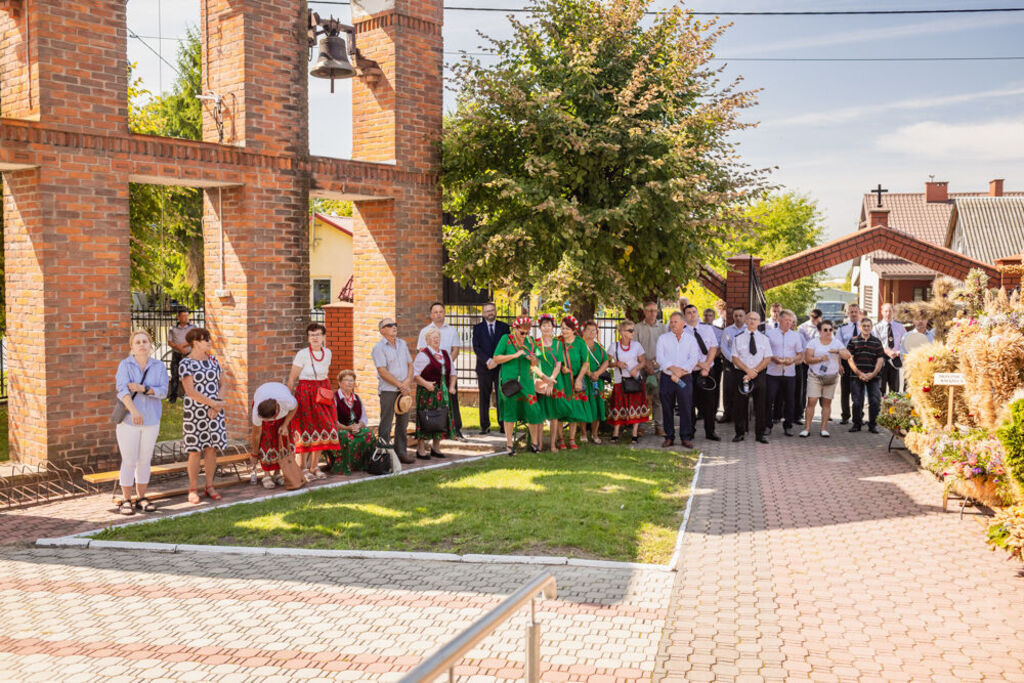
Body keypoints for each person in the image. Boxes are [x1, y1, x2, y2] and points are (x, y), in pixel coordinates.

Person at [114, 330, 169, 514]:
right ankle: (126, 500)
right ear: (132, 346)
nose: (141, 345)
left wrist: (144, 388)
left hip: (152, 419)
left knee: (144, 460)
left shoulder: (158, 366)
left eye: (145, 341)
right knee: (129, 460)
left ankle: (142, 497)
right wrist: (134, 411)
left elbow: (163, 391)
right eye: (137, 342)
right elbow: (122, 391)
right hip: (129, 421)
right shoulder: (125, 365)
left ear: (150, 345)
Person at [179, 327, 229, 504]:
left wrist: (217, 403)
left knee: (211, 449)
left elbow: (223, 384)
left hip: (214, 412)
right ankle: (193, 488)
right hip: (195, 413)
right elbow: (190, 391)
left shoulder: (214, 360)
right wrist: (213, 404)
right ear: (195, 342)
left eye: (209, 338)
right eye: (205, 339)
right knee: (195, 451)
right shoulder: (186, 363)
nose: (209, 341)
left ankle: (209, 485)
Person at [287, 323, 341, 482]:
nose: (315, 338)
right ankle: (302, 468)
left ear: (324, 337)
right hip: (305, 394)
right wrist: (289, 400)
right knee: (304, 431)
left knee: (323, 427)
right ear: (308, 338)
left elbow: (325, 374)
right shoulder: (302, 354)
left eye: (318, 334)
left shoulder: (328, 353)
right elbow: (292, 378)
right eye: (312, 335)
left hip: (323, 393)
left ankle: (314, 466)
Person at [493, 316, 545, 455]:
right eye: (522, 333)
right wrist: (515, 355)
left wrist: (533, 359)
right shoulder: (506, 339)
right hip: (510, 382)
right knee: (510, 411)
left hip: (527, 382)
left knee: (533, 410)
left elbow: (535, 363)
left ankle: (534, 443)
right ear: (515, 329)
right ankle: (509, 444)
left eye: (527, 333)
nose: (524, 336)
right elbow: (496, 358)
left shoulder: (531, 342)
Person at [418, 303, 465, 440]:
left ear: (444, 313)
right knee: (433, 403)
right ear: (431, 314)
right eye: (435, 312)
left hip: (448, 373)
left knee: (452, 400)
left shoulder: (451, 330)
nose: (438, 314)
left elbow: (455, 349)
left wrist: (446, 365)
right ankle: (434, 430)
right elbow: (422, 351)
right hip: (432, 373)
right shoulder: (424, 331)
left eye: (441, 311)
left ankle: (456, 430)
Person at [372, 318, 415, 464]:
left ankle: (401, 452)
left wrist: (407, 382)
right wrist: (399, 384)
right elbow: (382, 371)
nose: (394, 327)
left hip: (404, 389)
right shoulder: (378, 348)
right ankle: (385, 455)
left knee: (403, 422)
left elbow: (410, 364)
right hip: (388, 390)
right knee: (386, 422)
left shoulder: (402, 344)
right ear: (382, 330)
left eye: (395, 324)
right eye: (389, 325)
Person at [657, 311, 701, 448]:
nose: (672, 324)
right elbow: (660, 358)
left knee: (685, 406)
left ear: (683, 323)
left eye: (675, 322)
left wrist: (680, 372)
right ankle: (669, 436)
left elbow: (693, 359)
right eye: (671, 322)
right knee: (667, 407)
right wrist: (673, 370)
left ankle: (685, 436)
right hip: (667, 378)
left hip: (684, 379)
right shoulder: (663, 339)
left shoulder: (690, 339)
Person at [800, 321, 850, 438]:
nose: (828, 332)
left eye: (830, 330)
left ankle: (824, 429)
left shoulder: (837, 343)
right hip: (815, 376)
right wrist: (821, 358)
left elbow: (847, 355)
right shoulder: (813, 342)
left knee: (827, 403)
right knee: (811, 402)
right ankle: (807, 428)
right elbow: (807, 359)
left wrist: (837, 352)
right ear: (820, 331)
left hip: (831, 378)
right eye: (825, 330)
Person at [413, 328, 456, 459]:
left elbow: (453, 373)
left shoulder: (445, 354)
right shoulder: (423, 355)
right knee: (426, 418)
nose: (436, 339)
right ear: (427, 340)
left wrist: (452, 387)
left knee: (440, 418)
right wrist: (426, 384)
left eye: (437, 336)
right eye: (433, 337)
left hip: (443, 392)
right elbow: (415, 375)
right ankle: (420, 449)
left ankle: (436, 448)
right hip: (427, 393)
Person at [731, 312, 772, 443]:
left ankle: (760, 434)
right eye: (749, 319)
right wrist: (747, 371)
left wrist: (754, 371)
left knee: (760, 405)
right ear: (745, 321)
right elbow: (734, 358)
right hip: (741, 374)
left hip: (758, 374)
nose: (752, 321)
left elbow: (767, 358)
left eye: (755, 319)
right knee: (739, 405)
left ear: (759, 321)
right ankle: (739, 433)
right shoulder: (738, 338)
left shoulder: (764, 339)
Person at [248, 381, 298, 489]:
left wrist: (285, 425)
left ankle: (277, 473)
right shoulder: (258, 412)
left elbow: (295, 408)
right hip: (264, 396)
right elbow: (256, 435)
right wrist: (254, 454)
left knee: (281, 440)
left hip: (281, 408)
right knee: (266, 440)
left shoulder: (287, 401)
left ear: (276, 412)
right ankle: (266, 475)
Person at [472, 302, 511, 435]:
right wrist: (488, 360)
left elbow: (507, 345)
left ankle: (503, 424)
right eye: (487, 311)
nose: (490, 313)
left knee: (502, 396)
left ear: (495, 311)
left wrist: (496, 360)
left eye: (492, 310)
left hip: (500, 367)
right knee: (484, 397)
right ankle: (484, 426)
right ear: (483, 313)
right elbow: (476, 347)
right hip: (484, 367)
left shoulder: (504, 327)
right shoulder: (477, 328)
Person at [608, 319, 650, 443]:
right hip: (620, 381)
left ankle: (635, 434)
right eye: (630, 330)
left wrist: (636, 368)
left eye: (633, 330)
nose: (633, 332)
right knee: (619, 405)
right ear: (622, 332)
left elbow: (643, 361)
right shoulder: (613, 346)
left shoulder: (637, 345)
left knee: (635, 406)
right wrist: (616, 363)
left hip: (635, 380)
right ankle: (615, 433)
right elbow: (607, 363)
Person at [682, 304, 720, 441]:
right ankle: (690, 431)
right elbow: (684, 353)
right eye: (689, 313)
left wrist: (706, 366)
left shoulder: (707, 329)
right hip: (690, 372)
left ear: (698, 314)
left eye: (694, 312)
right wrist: (700, 364)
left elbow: (713, 347)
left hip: (708, 371)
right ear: (685, 316)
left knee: (709, 403)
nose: (692, 314)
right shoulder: (682, 332)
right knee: (689, 402)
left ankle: (710, 432)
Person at [765, 310, 805, 437]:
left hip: (789, 373)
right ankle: (767, 425)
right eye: (787, 320)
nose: (789, 323)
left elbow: (800, 355)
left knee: (790, 400)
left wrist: (792, 360)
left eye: (791, 321)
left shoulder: (795, 336)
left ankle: (788, 426)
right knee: (769, 399)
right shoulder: (769, 334)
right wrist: (773, 358)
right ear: (779, 320)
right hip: (772, 373)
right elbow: (765, 352)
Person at [333, 370, 377, 473]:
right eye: (346, 380)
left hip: (355, 428)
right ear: (340, 383)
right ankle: (344, 467)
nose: (349, 383)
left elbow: (363, 418)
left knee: (369, 434)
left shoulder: (357, 398)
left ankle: (366, 464)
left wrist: (358, 426)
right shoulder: (335, 398)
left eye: (352, 380)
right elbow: (333, 421)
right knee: (346, 436)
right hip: (341, 428)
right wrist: (348, 428)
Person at [634, 301, 668, 437]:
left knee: (658, 398)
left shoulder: (663, 328)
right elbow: (635, 347)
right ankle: (641, 426)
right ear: (644, 312)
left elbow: (666, 348)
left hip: (658, 368)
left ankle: (659, 426)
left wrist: (653, 363)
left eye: (655, 310)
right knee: (642, 397)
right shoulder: (637, 328)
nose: (653, 313)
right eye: (649, 310)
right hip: (641, 366)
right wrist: (646, 363)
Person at [846, 317, 885, 433]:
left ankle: (873, 425)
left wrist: (873, 374)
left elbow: (880, 360)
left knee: (875, 401)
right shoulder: (853, 341)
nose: (866, 328)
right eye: (864, 326)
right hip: (856, 376)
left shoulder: (877, 342)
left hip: (873, 376)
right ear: (860, 327)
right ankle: (856, 424)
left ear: (871, 327)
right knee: (857, 401)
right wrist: (859, 373)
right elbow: (850, 359)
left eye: (868, 326)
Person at [558, 315, 591, 449]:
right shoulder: (557, 342)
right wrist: (560, 367)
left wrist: (579, 379)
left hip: (575, 379)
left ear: (573, 330)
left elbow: (586, 363)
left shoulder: (580, 343)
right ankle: (560, 439)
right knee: (560, 409)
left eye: (567, 328)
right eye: (562, 328)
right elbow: (552, 358)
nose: (564, 331)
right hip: (561, 379)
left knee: (574, 409)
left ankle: (571, 439)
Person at [535, 314, 566, 452]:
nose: (547, 328)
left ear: (553, 327)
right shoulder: (535, 343)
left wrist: (551, 381)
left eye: (549, 325)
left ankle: (553, 444)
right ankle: (540, 444)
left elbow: (558, 366)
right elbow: (533, 365)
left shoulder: (558, 345)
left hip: (554, 383)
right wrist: (545, 380)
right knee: (540, 416)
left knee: (554, 417)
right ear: (540, 328)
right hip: (540, 383)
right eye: (544, 325)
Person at [717, 307, 747, 425]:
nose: (738, 318)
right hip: (730, 363)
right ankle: (727, 414)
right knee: (728, 389)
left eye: (740, 315)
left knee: (743, 389)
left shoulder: (749, 330)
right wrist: (733, 360)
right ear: (733, 317)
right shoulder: (728, 330)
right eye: (736, 316)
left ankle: (742, 415)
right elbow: (724, 347)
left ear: (744, 317)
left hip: (745, 364)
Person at [581, 320, 610, 444]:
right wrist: (589, 373)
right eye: (590, 330)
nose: (592, 333)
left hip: (597, 381)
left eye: (594, 330)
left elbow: (606, 361)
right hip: (584, 380)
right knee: (584, 406)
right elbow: (579, 361)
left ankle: (595, 434)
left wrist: (597, 374)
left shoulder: (599, 347)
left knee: (597, 406)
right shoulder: (580, 345)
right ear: (584, 331)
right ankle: (583, 433)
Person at [836, 303, 863, 425]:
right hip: (846, 362)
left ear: (859, 313)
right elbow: (838, 348)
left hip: (860, 362)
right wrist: (839, 364)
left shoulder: (864, 326)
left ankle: (859, 416)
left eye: (855, 311)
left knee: (859, 391)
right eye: (851, 312)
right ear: (848, 313)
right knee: (845, 391)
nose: (853, 314)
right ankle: (845, 416)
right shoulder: (842, 328)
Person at [795, 309, 822, 424]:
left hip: (819, 361)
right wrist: (806, 358)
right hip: (806, 361)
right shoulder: (803, 328)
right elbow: (801, 344)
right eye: (814, 319)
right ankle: (800, 412)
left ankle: (824, 411)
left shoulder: (822, 327)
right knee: (804, 388)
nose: (816, 321)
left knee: (821, 386)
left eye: (817, 319)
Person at [873, 303, 906, 396]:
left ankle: (893, 408)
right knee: (881, 388)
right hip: (882, 359)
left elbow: (905, 341)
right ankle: (880, 409)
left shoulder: (900, 327)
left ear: (893, 312)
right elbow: (876, 343)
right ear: (882, 312)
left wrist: (899, 350)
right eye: (886, 311)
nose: (888, 314)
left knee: (894, 389)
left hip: (895, 359)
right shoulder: (877, 327)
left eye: (890, 311)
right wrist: (887, 351)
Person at [166, 309, 195, 403]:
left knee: (189, 376)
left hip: (189, 355)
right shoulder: (172, 328)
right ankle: (173, 397)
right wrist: (179, 349)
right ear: (178, 317)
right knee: (174, 375)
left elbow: (195, 340)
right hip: (176, 355)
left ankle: (191, 396)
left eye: (187, 316)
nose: (186, 318)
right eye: (183, 316)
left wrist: (182, 346)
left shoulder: (193, 327)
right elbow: (169, 342)